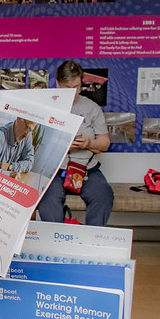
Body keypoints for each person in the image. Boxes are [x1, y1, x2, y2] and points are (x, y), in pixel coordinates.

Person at [37, 60, 113, 226]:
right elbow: (33, 143)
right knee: (47, 201)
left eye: (77, 87)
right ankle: (55, 242)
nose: (73, 93)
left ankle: (91, 240)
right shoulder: (45, 106)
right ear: (57, 83)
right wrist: (60, 145)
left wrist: (88, 143)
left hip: (86, 170)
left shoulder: (91, 108)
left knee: (103, 196)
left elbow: (104, 143)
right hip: (54, 170)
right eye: (67, 88)